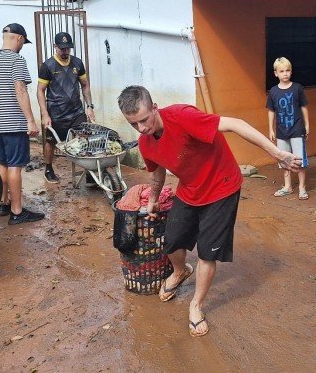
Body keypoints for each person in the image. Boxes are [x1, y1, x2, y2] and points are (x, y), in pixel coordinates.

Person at [117, 86, 301, 338]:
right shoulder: (145, 143)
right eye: (133, 124)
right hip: (190, 189)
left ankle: (196, 305)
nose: (140, 128)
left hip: (222, 187)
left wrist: (276, 152)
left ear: (155, 107)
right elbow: (157, 171)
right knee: (171, 240)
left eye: (143, 120)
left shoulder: (182, 116)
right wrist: (154, 199)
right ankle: (180, 271)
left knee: (207, 251)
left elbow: (235, 124)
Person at [0, 23, 44, 225]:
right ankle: (17, 211)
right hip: (14, 124)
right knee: (15, 166)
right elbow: (20, 89)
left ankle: (4, 203)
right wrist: (31, 120)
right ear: (19, 38)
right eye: (24, 42)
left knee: (2, 164)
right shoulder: (17, 60)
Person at [37, 32, 96, 183]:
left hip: (76, 111)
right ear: (55, 47)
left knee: (85, 137)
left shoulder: (77, 63)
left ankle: (89, 171)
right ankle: (48, 169)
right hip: (56, 113)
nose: (65, 52)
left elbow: (85, 85)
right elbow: (40, 91)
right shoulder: (47, 66)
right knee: (51, 142)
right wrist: (45, 114)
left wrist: (89, 106)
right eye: (62, 49)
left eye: (68, 48)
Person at [266, 57, 310, 200]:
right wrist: (271, 129)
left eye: (288, 70)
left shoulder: (297, 88)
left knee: (299, 160)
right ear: (276, 73)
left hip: (297, 129)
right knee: (284, 159)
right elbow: (271, 111)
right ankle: (287, 186)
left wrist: (307, 124)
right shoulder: (273, 91)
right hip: (281, 131)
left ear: (291, 72)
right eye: (282, 71)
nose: (285, 74)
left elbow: (303, 107)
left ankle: (302, 188)